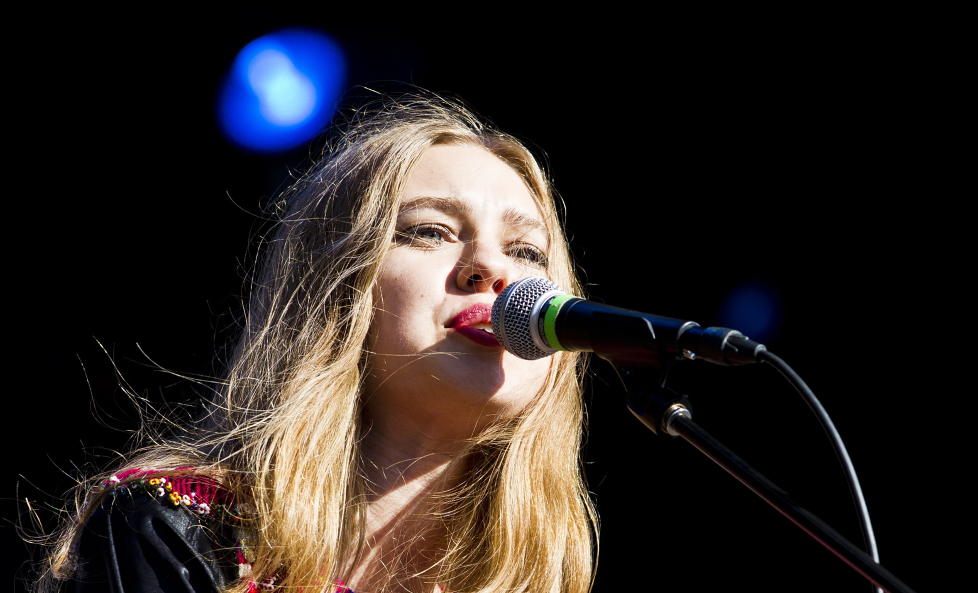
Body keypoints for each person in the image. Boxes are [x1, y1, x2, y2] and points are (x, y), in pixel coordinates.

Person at [37, 91, 597, 593]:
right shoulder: (175, 530)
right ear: (334, 288)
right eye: (430, 231)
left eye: (526, 251)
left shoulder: (549, 573)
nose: (490, 268)